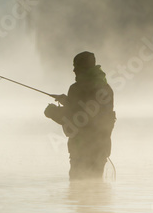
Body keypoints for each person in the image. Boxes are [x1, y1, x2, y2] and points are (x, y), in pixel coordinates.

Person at [44, 51, 116, 179]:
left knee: (78, 184)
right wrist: (67, 101)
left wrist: (52, 112)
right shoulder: (106, 88)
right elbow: (87, 111)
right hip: (101, 149)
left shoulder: (76, 89)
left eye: (76, 66)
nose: (74, 70)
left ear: (83, 68)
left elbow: (74, 119)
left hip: (80, 150)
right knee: (96, 186)